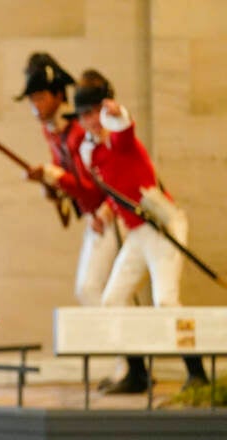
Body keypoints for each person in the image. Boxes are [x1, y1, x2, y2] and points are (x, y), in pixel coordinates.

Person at [73, 69, 208, 392]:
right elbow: (114, 187)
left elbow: (123, 132)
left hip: (162, 226)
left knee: (166, 301)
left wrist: (116, 114)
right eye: (83, 115)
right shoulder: (91, 151)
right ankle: (136, 373)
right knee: (113, 300)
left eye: (93, 112)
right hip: (136, 233)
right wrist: (104, 213)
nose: (90, 120)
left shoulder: (119, 136)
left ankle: (197, 373)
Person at [16, 53, 140, 393]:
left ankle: (132, 364)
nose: (36, 105)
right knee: (104, 291)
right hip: (94, 218)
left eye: (41, 96)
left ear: (58, 95)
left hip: (109, 216)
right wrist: (53, 186)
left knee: (95, 288)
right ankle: (127, 365)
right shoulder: (55, 135)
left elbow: (96, 183)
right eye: (32, 98)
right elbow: (74, 187)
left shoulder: (78, 136)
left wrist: (58, 178)